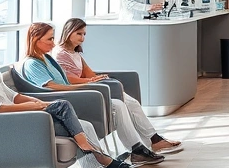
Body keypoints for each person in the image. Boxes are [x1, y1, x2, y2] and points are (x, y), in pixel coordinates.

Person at [0, 31, 136, 168]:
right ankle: (101, 164)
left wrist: (39, 104)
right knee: (64, 108)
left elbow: (14, 97)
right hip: (11, 126)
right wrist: (33, 107)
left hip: (26, 119)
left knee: (83, 125)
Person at [17, 23, 168, 166]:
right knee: (116, 105)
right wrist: (85, 87)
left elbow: (65, 81)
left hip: (75, 97)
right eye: (49, 39)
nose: (53, 43)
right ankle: (134, 151)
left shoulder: (47, 58)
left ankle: (137, 149)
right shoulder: (32, 64)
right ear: (36, 40)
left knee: (118, 105)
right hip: (67, 101)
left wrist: (90, 83)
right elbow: (53, 87)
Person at [55, 18, 184, 156]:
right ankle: (150, 142)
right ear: (68, 32)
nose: (82, 38)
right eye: (79, 34)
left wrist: (99, 78)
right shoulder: (61, 54)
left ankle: (152, 141)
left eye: (84, 34)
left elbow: (88, 73)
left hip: (91, 87)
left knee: (132, 103)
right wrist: (92, 80)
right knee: (127, 103)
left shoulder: (76, 54)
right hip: (84, 91)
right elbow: (67, 78)